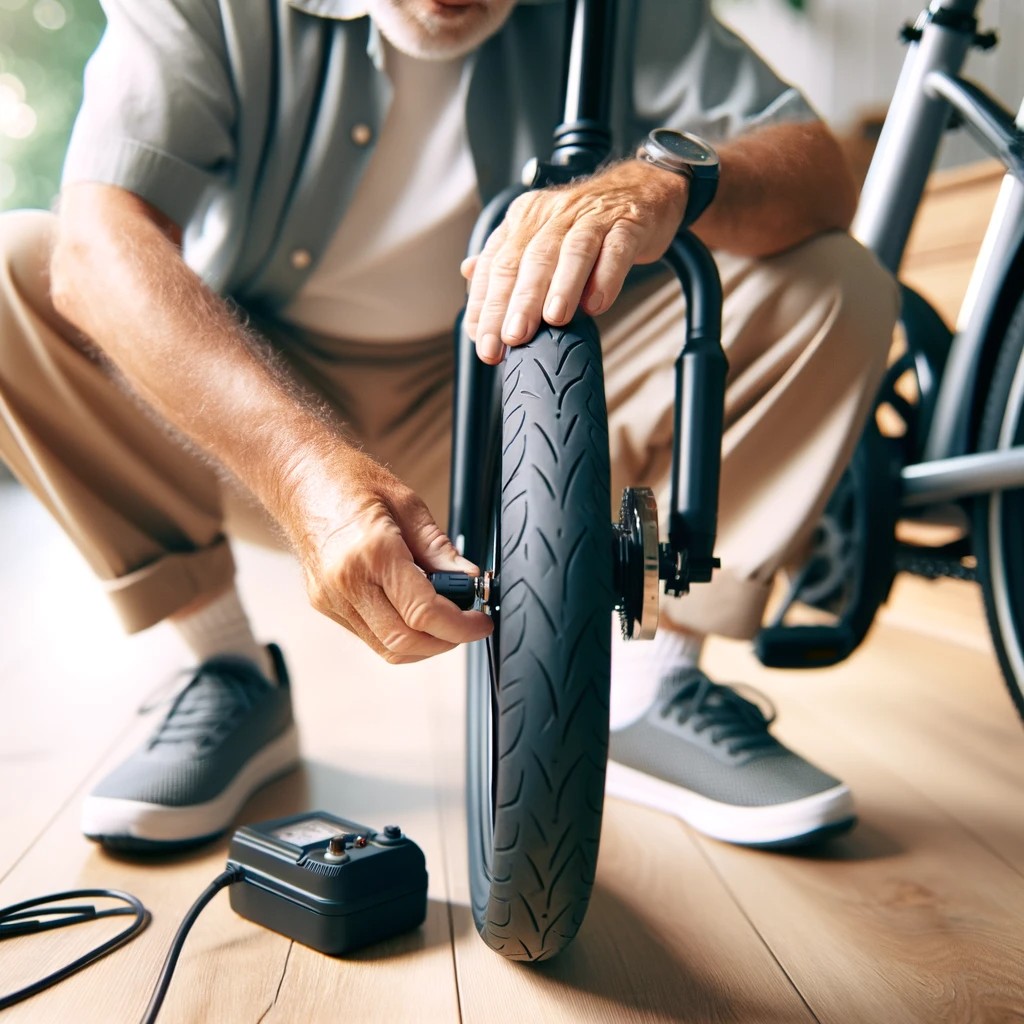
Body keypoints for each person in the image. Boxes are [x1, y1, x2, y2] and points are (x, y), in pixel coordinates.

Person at [0, 0, 898, 853]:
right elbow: (96, 243)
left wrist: (665, 185)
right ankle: (227, 669)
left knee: (833, 284)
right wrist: (304, 471)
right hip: (260, 397)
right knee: (20, 269)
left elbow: (818, 168)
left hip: (527, 375)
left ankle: (656, 689)